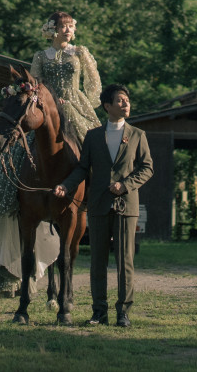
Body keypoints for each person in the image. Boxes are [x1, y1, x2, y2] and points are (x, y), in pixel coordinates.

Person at [0, 11, 101, 295]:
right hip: (44, 110)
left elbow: (94, 88)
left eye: (70, 26)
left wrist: (80, 102)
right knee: (18, 152)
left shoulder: (81, 54)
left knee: (97, 155)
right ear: (52, 30)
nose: (68, 30)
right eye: (63, 27)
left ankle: (103, 200)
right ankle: (10, 200)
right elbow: (34, 85)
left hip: (75, 109)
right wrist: (46, 100)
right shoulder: (41, 56)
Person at [54, 83, 154, 327]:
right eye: (120, 100)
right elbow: (81, 168)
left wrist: (126, 185)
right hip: (98, 205)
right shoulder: (93, 136)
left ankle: (123, 312)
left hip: (126, 207)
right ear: (107, 106)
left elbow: (147, 168)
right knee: (97, 261)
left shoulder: (138, 135)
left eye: (127, 100)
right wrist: (65, 186)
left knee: (124, 261)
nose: (125, 104)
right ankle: (99, 312)